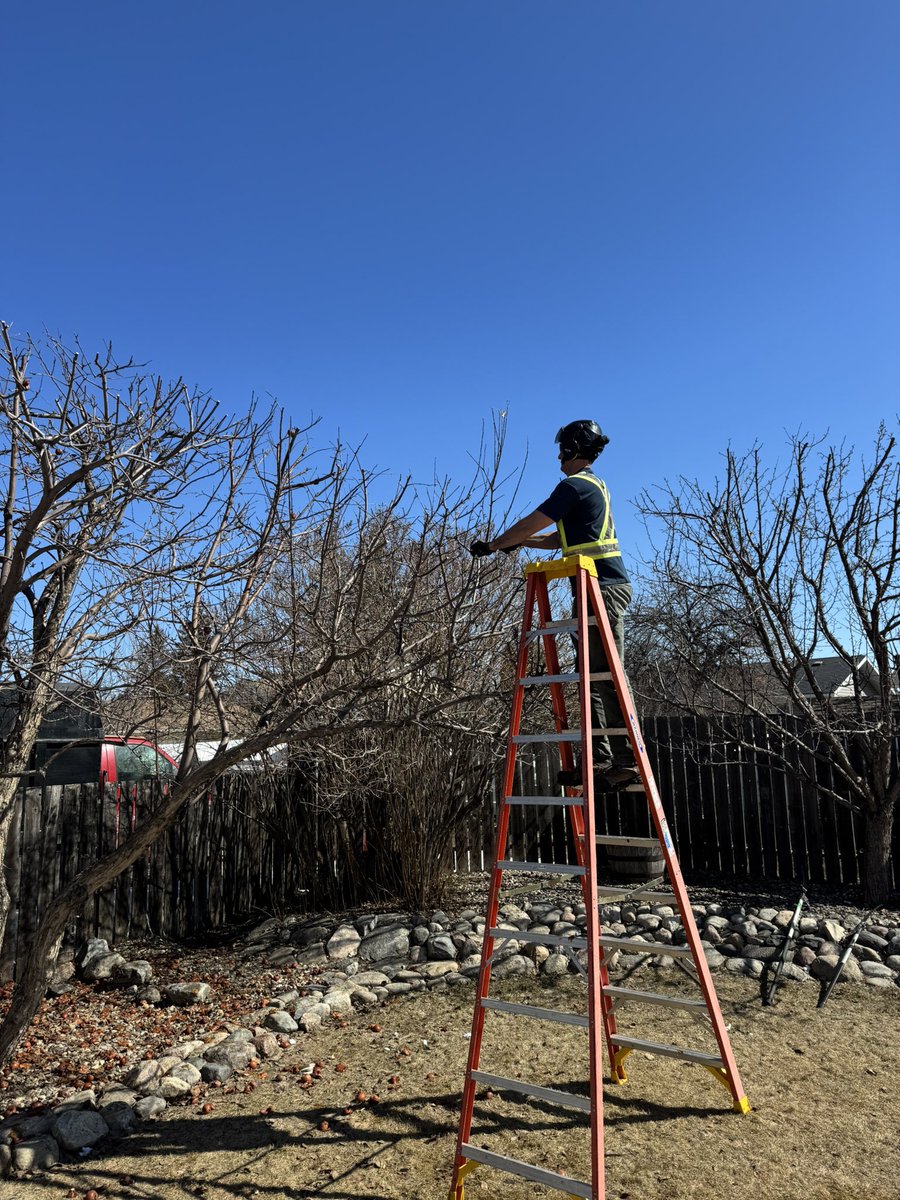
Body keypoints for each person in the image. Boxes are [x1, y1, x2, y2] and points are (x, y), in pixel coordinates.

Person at [470, 419, 637, 791]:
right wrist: (520, 543)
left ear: (574, 449)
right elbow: (555, 537)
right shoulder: (593, 486)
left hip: (603, 588)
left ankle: (626, 761)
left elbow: (535, 520)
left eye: (563, 447)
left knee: (606, 676)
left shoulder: (574, 486)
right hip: (594, 588)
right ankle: (599, 759)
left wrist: (496, 544)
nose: (558, 455)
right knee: (590, 678)